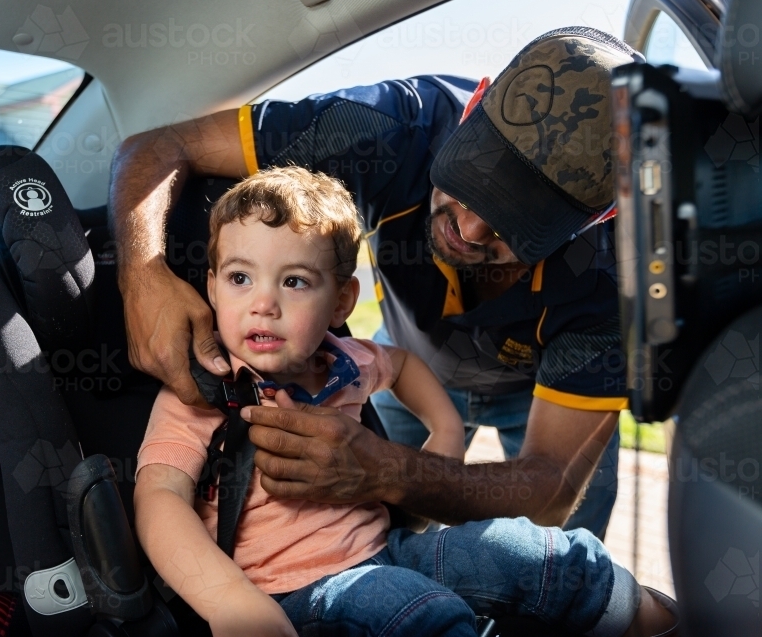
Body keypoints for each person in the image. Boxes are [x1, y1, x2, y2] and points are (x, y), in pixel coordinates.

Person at [110, 27, 634, 537]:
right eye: (472, 183)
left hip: (541, 394)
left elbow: (549, 493)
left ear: (596, 220)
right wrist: (143, 275)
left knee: (563, 563)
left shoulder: (611, 274)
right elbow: (157, 148)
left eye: (515, 224)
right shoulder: (389, 127)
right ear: (473, 107)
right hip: (406, 359)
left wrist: (387, 471)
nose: (468, 230)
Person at [132, 167, 676, 636]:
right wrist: (227, 600)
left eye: (295, 281)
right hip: (287, 596)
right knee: (420, 612)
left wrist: (446, 431)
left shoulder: (347, 360)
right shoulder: (202, 392)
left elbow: (404, 366)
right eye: (240, 278)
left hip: (387, 550)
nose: (264, 304)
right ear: (210, 286)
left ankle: (657, 619)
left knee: (532, 551)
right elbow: (159, 501)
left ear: (342, 299)